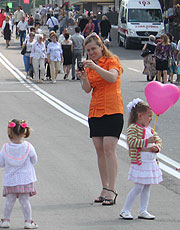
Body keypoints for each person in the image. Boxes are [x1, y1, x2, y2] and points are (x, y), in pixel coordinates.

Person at [77, 33, 123, 205]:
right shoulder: (89, 66)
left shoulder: (112, 61)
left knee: (109, 148)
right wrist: (83, 77)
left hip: (112, 109)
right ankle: (104, 187)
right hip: (96, 111)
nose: (91, 53)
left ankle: (112, 189)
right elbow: (88, 89)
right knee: (99, 149)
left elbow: (112, 77)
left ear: (101, 47)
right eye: (88, 50)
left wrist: (95, 68)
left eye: (94, 49)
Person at [120, 99, 162, 220]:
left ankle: (143, 210)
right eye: (149, 116)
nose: (151, 119)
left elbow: (159, 140)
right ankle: (125, 210)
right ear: (140, 115)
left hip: (150, 162)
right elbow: (132, 142)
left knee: (147, 186)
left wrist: (156, 147)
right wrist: (146, 142)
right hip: (140, 162)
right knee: (138, 187)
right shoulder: (133, 128)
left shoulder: (150, 129)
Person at [0, 119, 38, 229]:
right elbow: (34, 160)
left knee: (9, 202)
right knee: (25, 202)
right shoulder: (29, 147)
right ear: (24, 132)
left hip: (11, 181)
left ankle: (6, 220)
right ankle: (28, 222)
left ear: (10, 132)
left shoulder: (5, 148)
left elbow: (0, 164)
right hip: (25, 180)